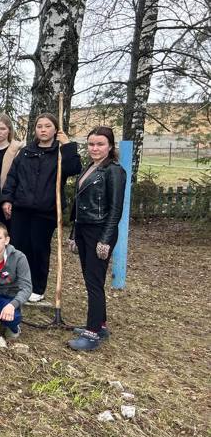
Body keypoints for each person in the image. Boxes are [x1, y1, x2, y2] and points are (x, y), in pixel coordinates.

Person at [0, 113, 82, 302]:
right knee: (18, 247)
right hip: (21, 208)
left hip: (46, 211)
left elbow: (74, 168)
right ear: (35, 130)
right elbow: (13, 177)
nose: (43, 130)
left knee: (39, 249)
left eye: (47, 126)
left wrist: (68, 145)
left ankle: (37, 287)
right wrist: (7, 199)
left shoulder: (60, 152)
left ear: (55, 130)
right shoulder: (26, 151)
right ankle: (17, 283)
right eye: (39, 126)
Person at [67, 126, 126, 351]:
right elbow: (79, 205)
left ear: (110, 146)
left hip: (100, 231)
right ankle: (100, 325)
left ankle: (91, 335)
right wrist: (74, 232)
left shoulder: (114, 171)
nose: (95, 148)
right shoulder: (91, 167)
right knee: (91, 279)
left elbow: (115, 210)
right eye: (91, 144)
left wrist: (105, 239)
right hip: (84, 229)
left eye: (100, 144)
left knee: (94, 283)